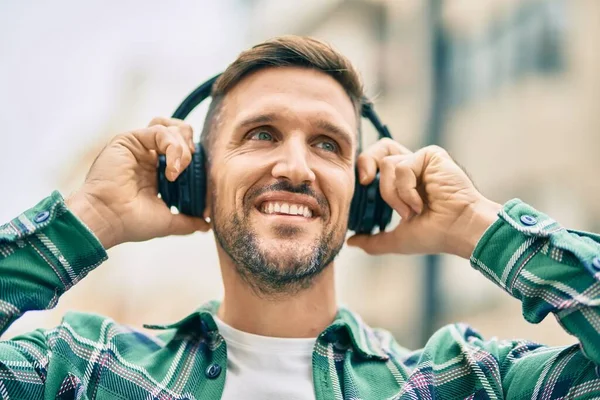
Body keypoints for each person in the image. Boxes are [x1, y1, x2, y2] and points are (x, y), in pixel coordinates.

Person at [0, 35, 598, 400]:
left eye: (328, 144)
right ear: (197, 180)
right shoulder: (79, 370)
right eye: (261, 134)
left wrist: (477, 224)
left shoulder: (464, 384)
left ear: (363, 192)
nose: (295, 167)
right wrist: (87, 218)